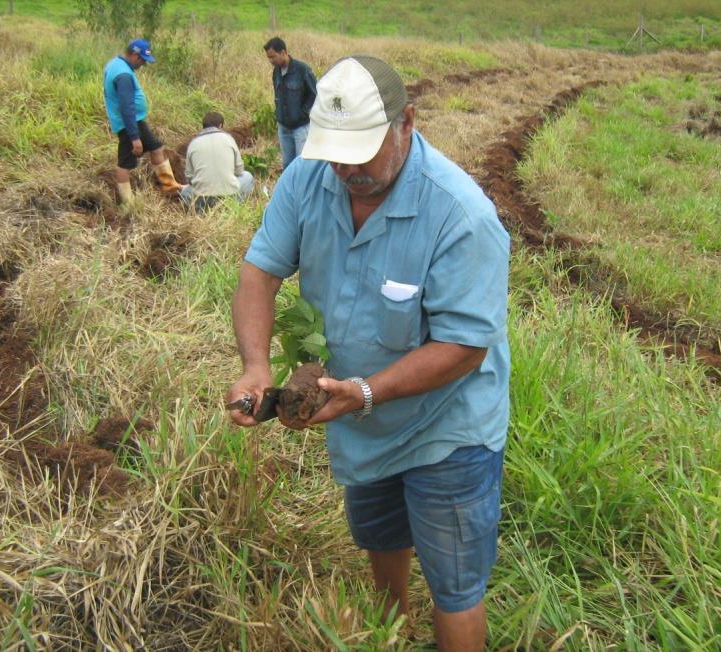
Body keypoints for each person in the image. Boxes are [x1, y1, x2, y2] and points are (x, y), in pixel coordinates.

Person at [226, 55, 510, 651]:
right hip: (359, 418)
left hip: (446, 425)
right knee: (381, 538)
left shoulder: (460, 214)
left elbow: (463, 348)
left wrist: (366, 392)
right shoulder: (308, 178)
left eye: (363, 149)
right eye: (336, 151)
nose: (347, 167)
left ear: (407, 123)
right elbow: (259, 273)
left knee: (454, 585)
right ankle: (393, 634)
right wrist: (257, 367)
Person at [102, 38, 184, 204]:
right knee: (125, 163)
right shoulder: (123, 75)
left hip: (135, 121)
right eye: (142, 61)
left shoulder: (117, 64)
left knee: (156, 148)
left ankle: (169, 186)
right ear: (134, 55)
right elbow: (126, 107)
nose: (143, 65)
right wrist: (134, 137)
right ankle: (128, 202)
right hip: (128, 123)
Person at [179, 111, 255, 212]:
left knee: (185, 192)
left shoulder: (193, 144)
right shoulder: (229, 139)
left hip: (202, 199)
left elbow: (189, 178)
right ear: (220, 125)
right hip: (229, 196)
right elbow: (239, 171)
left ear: (203, 126)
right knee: (248, 176)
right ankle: (232, 207)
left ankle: (201, 210)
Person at [263, 36, 317, 169]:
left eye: (273, 57)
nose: (271, 61)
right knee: (287, 165)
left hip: (300, 127)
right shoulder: (276, 72)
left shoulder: (302, 70)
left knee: (302, 165)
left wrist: (303, 113)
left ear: (283, 52)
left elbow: (315, 94)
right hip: (283, 127)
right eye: (269, 58)